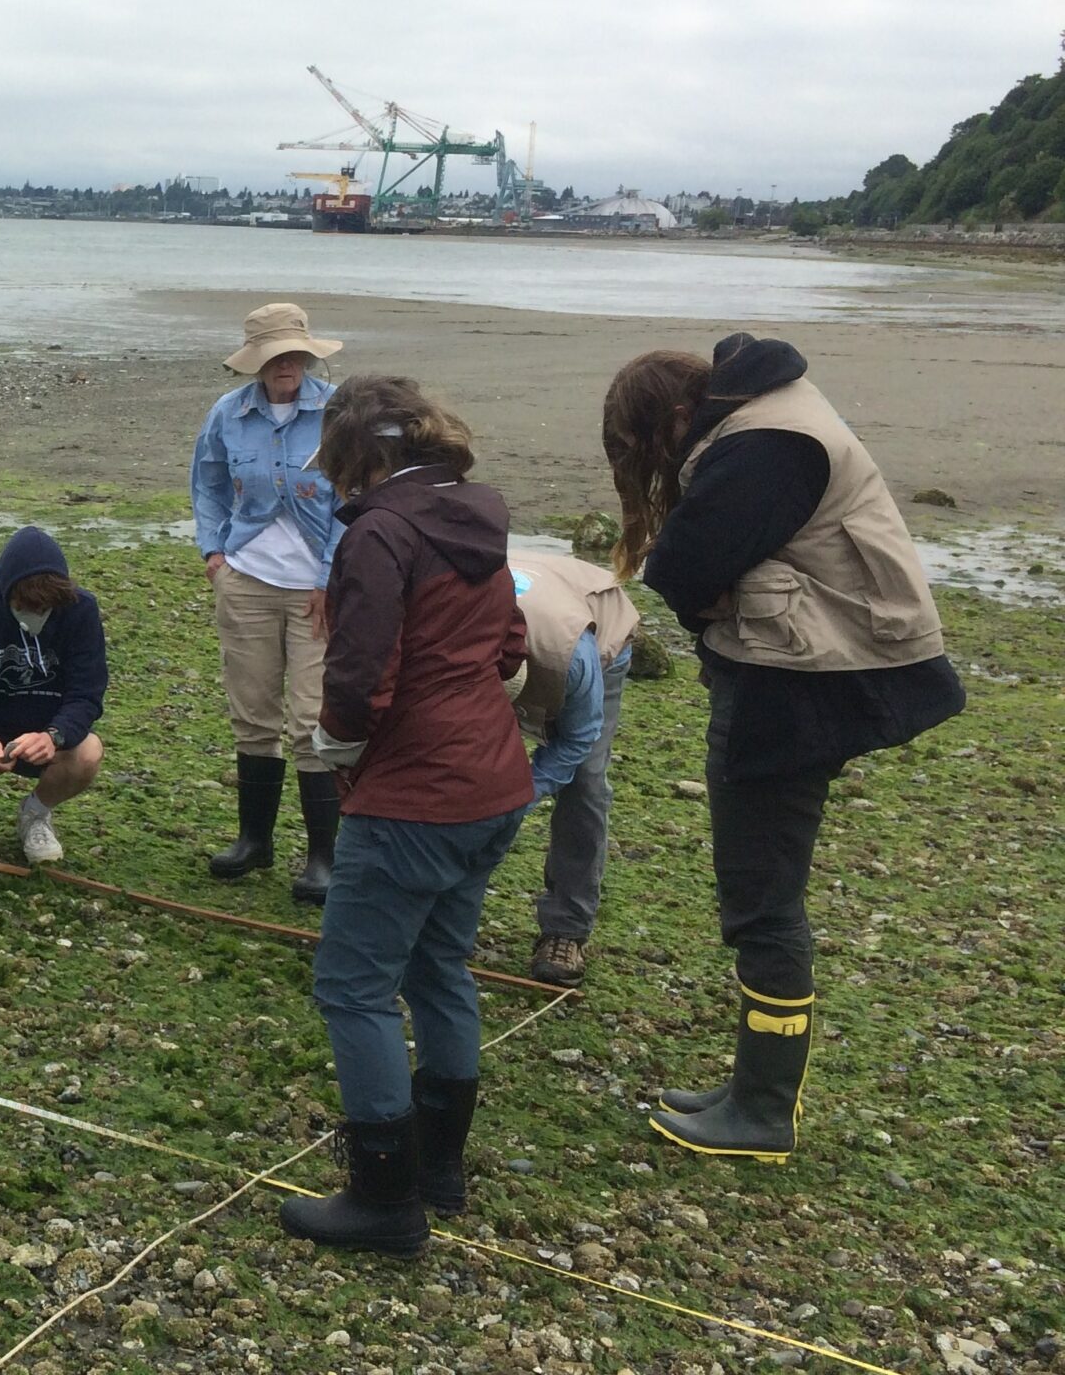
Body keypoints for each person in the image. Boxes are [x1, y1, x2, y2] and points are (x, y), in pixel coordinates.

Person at [604, 335, 964, 1163]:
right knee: (767, 896)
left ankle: (762, 1111)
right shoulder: (768, 416)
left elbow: (682, 566)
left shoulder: (763, 443)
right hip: (809, 670)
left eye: (647, 444)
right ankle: (750, 1088)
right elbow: (704, 563)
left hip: (797, 687)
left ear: (678, 418)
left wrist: (708, 587)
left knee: (763, 901)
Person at [276, 377, 533, 1256]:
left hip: (416, 795)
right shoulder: (478, 516)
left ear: (359, 453)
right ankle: (439, 1170)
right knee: (440, 967)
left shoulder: (382, 531)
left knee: (352, 984)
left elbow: (358, 675)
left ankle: (385, 1197)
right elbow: (508, 649)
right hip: (493, 784)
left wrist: (339, 742)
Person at [192, 302, 346, 904]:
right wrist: (214, 553)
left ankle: (323, 859)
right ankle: (253, 841)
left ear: (308, 355)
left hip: (319, 588)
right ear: (255, 362)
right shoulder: (227, 415)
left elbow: (359, 498)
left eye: (294, 353)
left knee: (312, 720)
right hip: (247, 578)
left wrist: (332, 578)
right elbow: (205, 483)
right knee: (253, 715)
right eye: (274, 355)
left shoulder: (338, 416)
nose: (286, 364)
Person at [504, 550, 641, 987]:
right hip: (534, 595)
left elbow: (578, 739)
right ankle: (438, 908)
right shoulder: (442, 629)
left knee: (583, 784)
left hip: (596, 624)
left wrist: (518, 798)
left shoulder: (575, 660)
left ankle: (566, 929)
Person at [0, 526, 108, 863]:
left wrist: (54, 736)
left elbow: (87, 694)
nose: (36, 614)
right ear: (5, 594)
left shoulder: (80, 610)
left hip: (47, 731)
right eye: (27, 606)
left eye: (45, 609)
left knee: (89, 754)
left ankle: (36, 813)